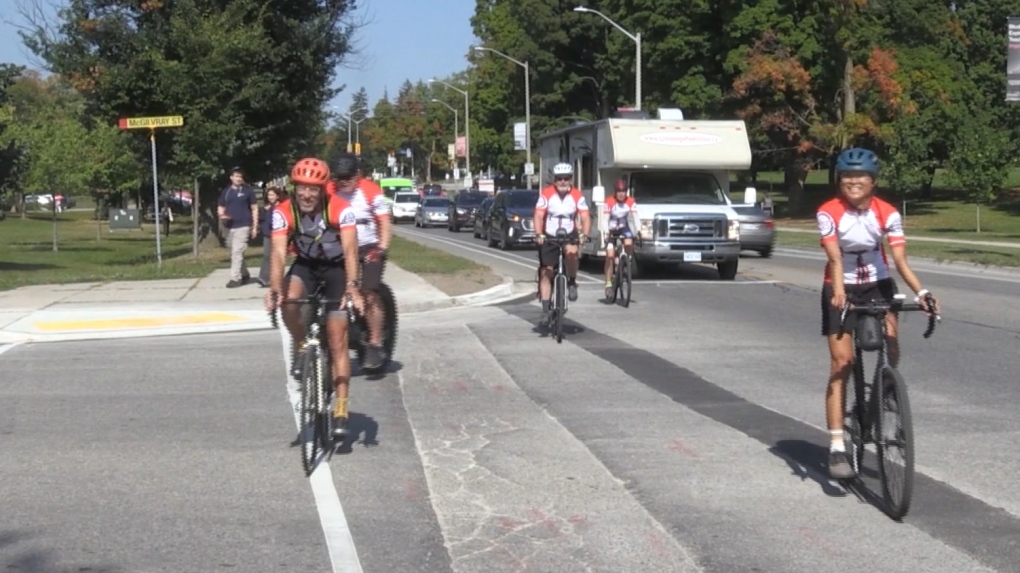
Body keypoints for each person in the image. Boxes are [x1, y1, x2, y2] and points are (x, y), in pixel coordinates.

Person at [817, 147, 940, 479]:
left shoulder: (887, 212)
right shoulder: (829, 211)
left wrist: (922, 292)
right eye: (846, 176)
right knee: (842, 362)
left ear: (873, 181)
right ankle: (837, 446)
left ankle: (886, 388)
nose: (853, 182)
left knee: (891, 342)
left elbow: (900, 261)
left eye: (861, 176)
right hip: (840, 285)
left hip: (879, 283)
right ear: (839, 179)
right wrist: (839, 291)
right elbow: (835, 257)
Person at [264, 158, 365, 437]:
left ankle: (341, 405)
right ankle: (301, 345)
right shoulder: (283, 212)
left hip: (337, 269)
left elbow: (352, 250)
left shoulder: (340, 209)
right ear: (293, 188)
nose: (307, 195)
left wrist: (353, 287)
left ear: (324, 190)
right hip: (306, 265)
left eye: (314, 189)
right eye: (302, 189)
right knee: (288, 300)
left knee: (337, 338)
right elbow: (277, 253)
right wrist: (274, 288)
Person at [326, 153, 392, 370]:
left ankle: (374, 342)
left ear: (358, 175)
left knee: (369, 293)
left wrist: (381, 247)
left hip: (368, 246)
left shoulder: (370, 189)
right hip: (340, 248)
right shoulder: (330, 190)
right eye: (339, 177)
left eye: (348, 177)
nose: (343, 182)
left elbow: (383, 220)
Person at [533, 162, 591, 326]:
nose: (563, 182)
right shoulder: (547, 194)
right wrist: (539, 234)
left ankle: (571, 282)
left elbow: (586, 217)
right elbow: (538, 215)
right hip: (549, 234)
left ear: (571, 179)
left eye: (566, 179)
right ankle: (545, 310)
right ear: (554, 180)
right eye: (560, 179)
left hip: (569, 232)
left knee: (572, 253)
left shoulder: (577, 195)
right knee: (546, 271)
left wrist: (584, 235)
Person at [217, 167, 259, 288]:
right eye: (236, 176)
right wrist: (222, 215)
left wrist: (255, 226)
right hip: (230, 226)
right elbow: (221, 207)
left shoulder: (247, 191)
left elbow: (254, 208)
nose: (238, 178)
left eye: (240, 176)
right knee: (235, 251)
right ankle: (245, 274)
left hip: (244, 225)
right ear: (231, 178)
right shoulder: (226, 192)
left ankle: (235, 278)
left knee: (237, 252)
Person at [602, 178, 638, 299]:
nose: (621, 194)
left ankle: (625, 264)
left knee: (628, 243)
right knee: (610, 255)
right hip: (611, 228)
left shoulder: (630, 201)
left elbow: (635, 217)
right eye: (619, 191)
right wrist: (606, 233)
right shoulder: (609, 201)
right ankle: (608, 283)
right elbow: (605, 220)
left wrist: (638, 231)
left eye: (623, 191)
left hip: (623, 228)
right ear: (615, 192)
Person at [256, 185, 287, 287]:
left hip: (278, 234)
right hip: (267, 234)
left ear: (277, 196)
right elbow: (262, 221)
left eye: (272, 195)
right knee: (267, 255)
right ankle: (264, 278)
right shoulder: (265, 208)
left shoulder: (282, 206)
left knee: (277, 256)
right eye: (269, 195)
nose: (270, 197)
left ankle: (276, 278)